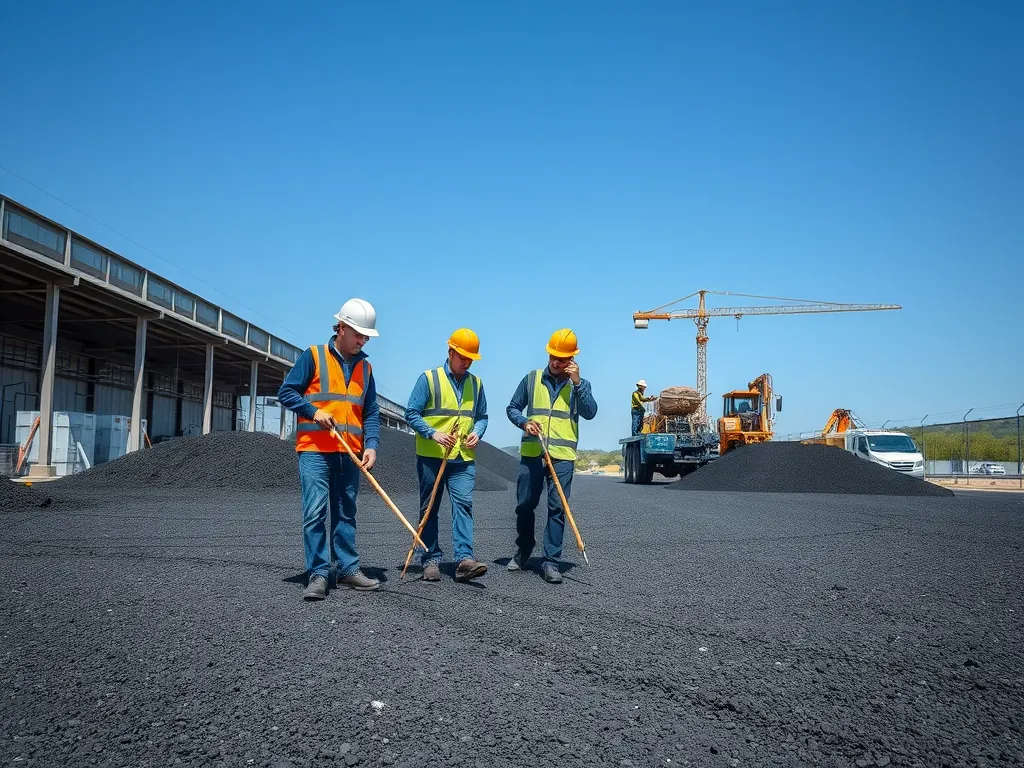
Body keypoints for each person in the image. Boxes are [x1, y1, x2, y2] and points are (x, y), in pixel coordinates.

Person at [277, 298, 383, 601]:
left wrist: (371, 446)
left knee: (346, 512)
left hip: (349, 452)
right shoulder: (314, 356)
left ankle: (348, 569)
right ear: (342, 327)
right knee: (315, 512)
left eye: (366, 336)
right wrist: (313, 412)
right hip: (315, 449)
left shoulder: (365, 367)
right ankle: (319, 573)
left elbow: (371, 412)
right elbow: (286, 392)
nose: (363, 341)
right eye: (359, 335)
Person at [505, 329, 598, 584]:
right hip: (533, 453)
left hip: (563, 456)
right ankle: (524, 550)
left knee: (557, 508)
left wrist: (578, 384)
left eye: (563, 358)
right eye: (553, 356)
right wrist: (524, 423)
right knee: (525, 505)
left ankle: (551, 562)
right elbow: (512, 408)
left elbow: (590, 413)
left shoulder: (580, 385)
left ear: (572, 360)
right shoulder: (531, 379)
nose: (556, 362)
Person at [405, 328, 490, 583]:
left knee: (463, 505)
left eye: (470, 358)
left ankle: (464, 559)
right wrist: (433, 433)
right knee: (429, 508)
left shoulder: (476, 384)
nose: (467, 362)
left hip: (463, 458)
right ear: (450, 352)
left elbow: (482, 416)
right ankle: (430, 559)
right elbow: (411, 413)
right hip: (432, 456)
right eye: (462, 356)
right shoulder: (429, 379)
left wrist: (477, 431)